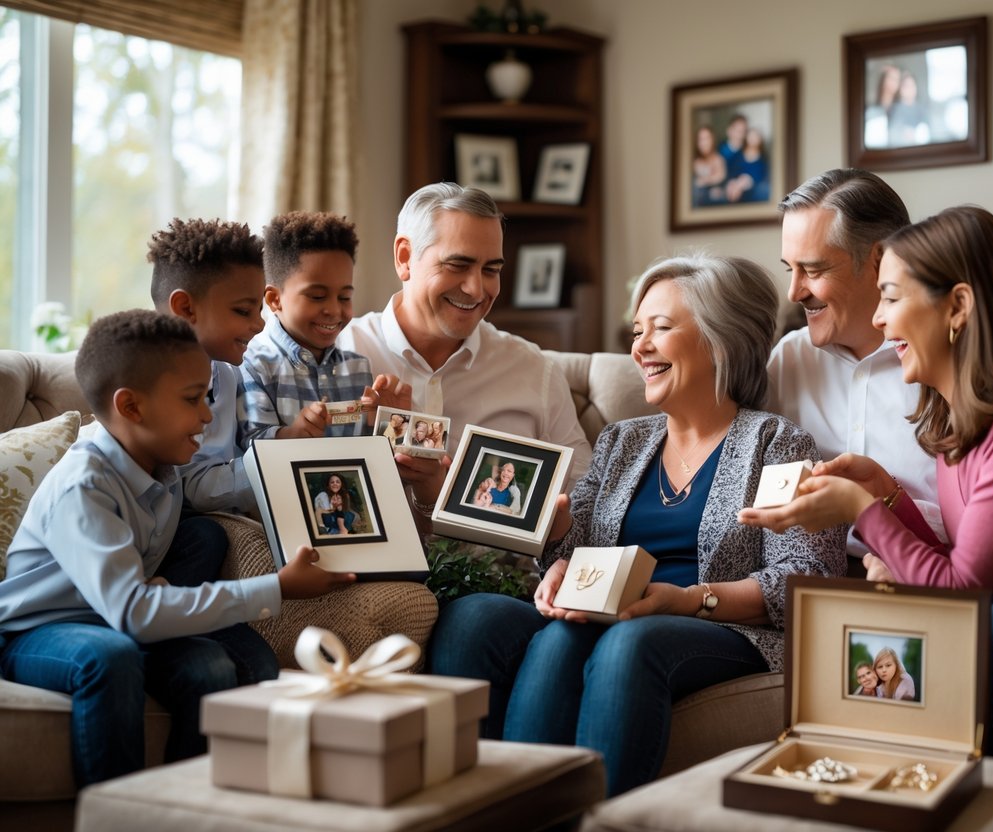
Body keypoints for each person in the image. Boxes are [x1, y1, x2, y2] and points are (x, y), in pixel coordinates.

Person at [429, 253, 847, 796]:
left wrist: (686, 598)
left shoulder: (777, 444)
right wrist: (556, 547)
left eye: (661, 328)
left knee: (624, 641)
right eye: (637, 330)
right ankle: (483, 811)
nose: (640, 347)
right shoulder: (622, 441)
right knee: (474, 617)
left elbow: (802, 581)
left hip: (721, 628)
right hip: (614, 616)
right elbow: (573, 554)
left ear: (721, 337)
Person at [741, 206, 993, 757]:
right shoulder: (955, 415)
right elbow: (960, 564)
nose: (879, 320)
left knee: (968, 638)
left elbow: (961, 590)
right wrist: (887, 492)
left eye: (892, 298)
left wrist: (861, 509)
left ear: (957, 306)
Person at [0, 310, 354, 786]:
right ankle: (117, 816)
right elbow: (133, 614)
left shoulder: (165, 469)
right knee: (108, 657)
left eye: (207, 396)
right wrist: (276, 587)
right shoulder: (84, 487)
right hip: (39, 631)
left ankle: (190, 804)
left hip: (115, 618)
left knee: (208, 663)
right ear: (131, 408)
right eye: (193, 400)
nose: (208, 416)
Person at [336, 183, 591, 523]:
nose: (476, 289)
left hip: (506, 575)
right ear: (405, 257)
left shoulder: (533, 371)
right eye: (457, 265)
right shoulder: (340, 355)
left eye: (491, 270)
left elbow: (588, 502)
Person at [766, 169, 943, 565]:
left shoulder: (945, 363)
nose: (794, 292)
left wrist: (885, 502)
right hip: (806, 580)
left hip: (930, 575)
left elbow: (979, 530)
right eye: (788, 269)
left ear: (880, 260)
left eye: (813, 270)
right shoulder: (788, 361)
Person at [239, 211, 407, 445]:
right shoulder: (254, 365)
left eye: (345, 297)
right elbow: (250, 446)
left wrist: (392, 420)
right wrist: (292, 435)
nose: (334, 310)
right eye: (317, 296)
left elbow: (377, 454)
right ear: (274, 300)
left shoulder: (358, 368)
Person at [149, 217, 266, 515]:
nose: (260, 324)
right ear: (186, 309)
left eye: (260, 309)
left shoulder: (227, 374)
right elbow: (187, 487)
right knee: (207, 539)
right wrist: (277, 468)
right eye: (243, 310)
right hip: (169, 522)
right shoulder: (151, 383)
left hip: (221, 507)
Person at [724, 127, 769, 204]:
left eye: (756, 136)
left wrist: (744, 182)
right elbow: (731, 171)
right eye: (751, 136)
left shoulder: (763, 159)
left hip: (752, 189)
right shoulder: (737, 155)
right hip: (734, 185)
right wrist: (734, 183)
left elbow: (760, 176)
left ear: (760, 140)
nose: (753, 139)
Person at [888, 72, 929, 147]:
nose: (910, 89)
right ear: (900, 89)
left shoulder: (922, 109)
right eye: (906, 86)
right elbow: (893, 134)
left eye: (912, 86)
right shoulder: (895, 110)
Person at [692, 125, 726, 206]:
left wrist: (705, 180)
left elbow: (720, 176)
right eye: (701, 139)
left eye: (707, 138)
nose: (704, 143)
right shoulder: (694, 161)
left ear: (712, 140)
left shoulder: (719, 159)